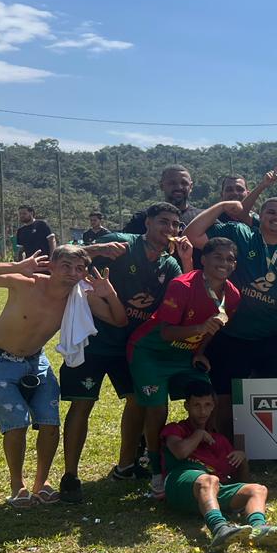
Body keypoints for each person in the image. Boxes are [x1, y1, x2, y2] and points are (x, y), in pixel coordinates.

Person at [0, 246, 125, 505]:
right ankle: (18, 486)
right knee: (17, 424)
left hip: (35, 360)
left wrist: (111, 294)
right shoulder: (27, 283)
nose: (73, 273)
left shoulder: (80, 296)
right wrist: (16, 267)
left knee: (50, 423)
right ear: (51, 265)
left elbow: (118, 320)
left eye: (79, 268)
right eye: (66, 266)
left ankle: (42, 482)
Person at [59, 202, 184, 502]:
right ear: (148, 224)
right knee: (82, 404)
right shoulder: (122, 244)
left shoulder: (170, 265)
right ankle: (71, 475)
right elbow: (67, 256)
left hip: (131, 346)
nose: (169, 230)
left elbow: (183, 296)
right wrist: (97, 251)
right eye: (163, 222)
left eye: (174, 225)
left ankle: (126, 464)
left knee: (137, 400)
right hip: (94, 340)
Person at [186, 198, 277, 433]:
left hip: (274, 336)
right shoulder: (239, 234)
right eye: (271, 212)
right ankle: (224, 447)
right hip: (231, 333)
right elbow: (192, 235)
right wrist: (222, 206)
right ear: (260, 216)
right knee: (224, 395)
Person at [128, 237, 240, 499]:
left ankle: (207, 459)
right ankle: (158, 472)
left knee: (207, 399)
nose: (224, 263)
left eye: (230, 259)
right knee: (157, 409)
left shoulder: (232, 295)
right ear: (203, 260)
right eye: (218, 257)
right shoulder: (182, 285)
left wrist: (199, 350)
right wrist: (199, 329)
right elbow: (166, 332)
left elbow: (217, 325)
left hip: (184, 356)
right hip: (151, 353)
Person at [161, 386, 277, 553]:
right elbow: (180, 452)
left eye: (207, 405)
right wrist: (199, 434)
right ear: (186, 406)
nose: (203, 411)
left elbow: (242, 482)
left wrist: (243, 461)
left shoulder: (220, 440)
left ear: (213, 406)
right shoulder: (175, 429)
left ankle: (260, 529)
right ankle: (219, 529)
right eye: (197, 405)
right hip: (179, 482)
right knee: (209, 480)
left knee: (258, 490)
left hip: (211, 491)